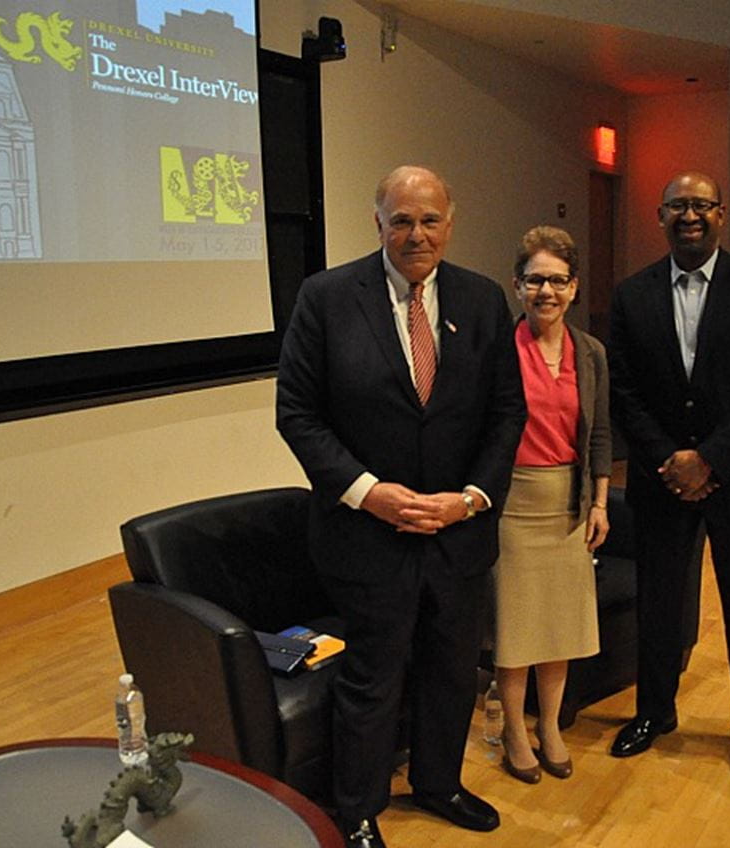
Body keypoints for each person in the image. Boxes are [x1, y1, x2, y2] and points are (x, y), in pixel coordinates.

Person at [276, 165, 527, 848]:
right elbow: (297, 415)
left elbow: (507, 414)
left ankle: (440, 782)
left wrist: (470, 499)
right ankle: (356, 809)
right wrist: (369, 494)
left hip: (458, 534)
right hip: (366, 535)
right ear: (377, 223)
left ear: (451, 220)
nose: (417, 234)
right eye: (402, 220)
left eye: (430, 220)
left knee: (451, 669)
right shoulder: (325, 298)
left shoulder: (480, 300)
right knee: (372, 676)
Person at [606, 171, 730, 788]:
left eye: (701, 205)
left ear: (721, 214)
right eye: (677, 206)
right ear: (659, 216)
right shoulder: (632, 295)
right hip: (661, 481)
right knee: (660, 603)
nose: (690, 215)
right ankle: (654, 713)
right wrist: (671, 460)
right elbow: (625, 392)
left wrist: (709, 458)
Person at [492, 226, 611, 784]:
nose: (547, 291)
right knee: (518, 629)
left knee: (559, 628)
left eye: (558, 281)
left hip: (569, 501)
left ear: (575, 287)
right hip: (514, 504)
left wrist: (600, 503)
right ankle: (515, 728)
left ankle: (552, 727)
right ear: (517, 285)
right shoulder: (498, 350)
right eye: (535, 279)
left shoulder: (591, 353)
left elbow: (601, 434)